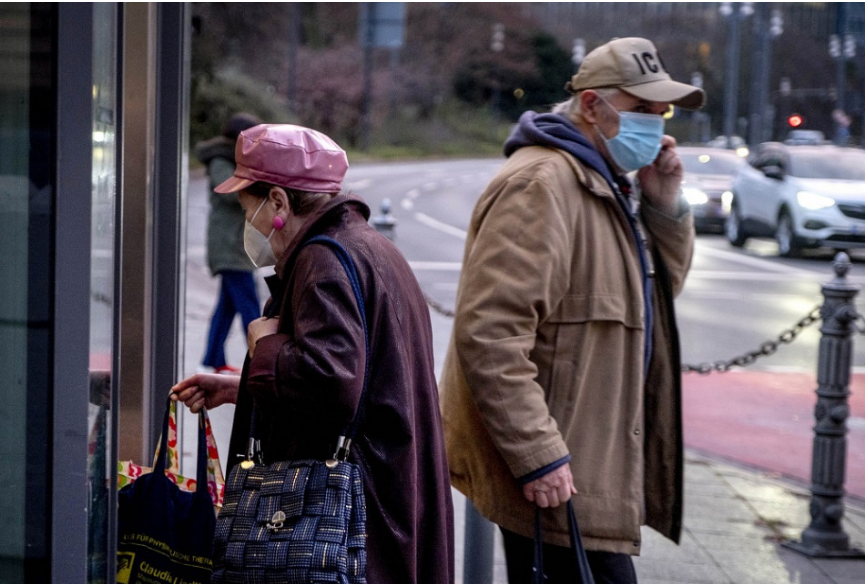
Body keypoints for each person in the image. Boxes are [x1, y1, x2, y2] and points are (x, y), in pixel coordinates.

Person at [439, 37, 705, 584]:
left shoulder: (603, 183)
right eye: (642, 110)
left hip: (588, 473)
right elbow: (489, 333)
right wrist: (537, 453)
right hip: (559, 477)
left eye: (663, 112)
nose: (656, 125)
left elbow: (651, 303)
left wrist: (664, 205)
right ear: (591, 106)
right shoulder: (543, 185)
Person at [172, 124, 454, 584]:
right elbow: (363, 374)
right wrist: (243, 388)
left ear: (279, 203)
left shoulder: (322, 263)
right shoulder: (367, 246)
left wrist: (264, 347)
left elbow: (331, 383)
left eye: (251, 210)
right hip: (390, 493)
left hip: (354, 516)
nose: (252, 226)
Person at [196, 112, 263, 374]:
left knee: (227, 307)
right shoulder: (221, 160)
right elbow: (230, 193)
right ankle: (260, 360)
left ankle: (215, 357)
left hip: (236, 246)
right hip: (230, 246)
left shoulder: (232, 160)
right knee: (249, 304)